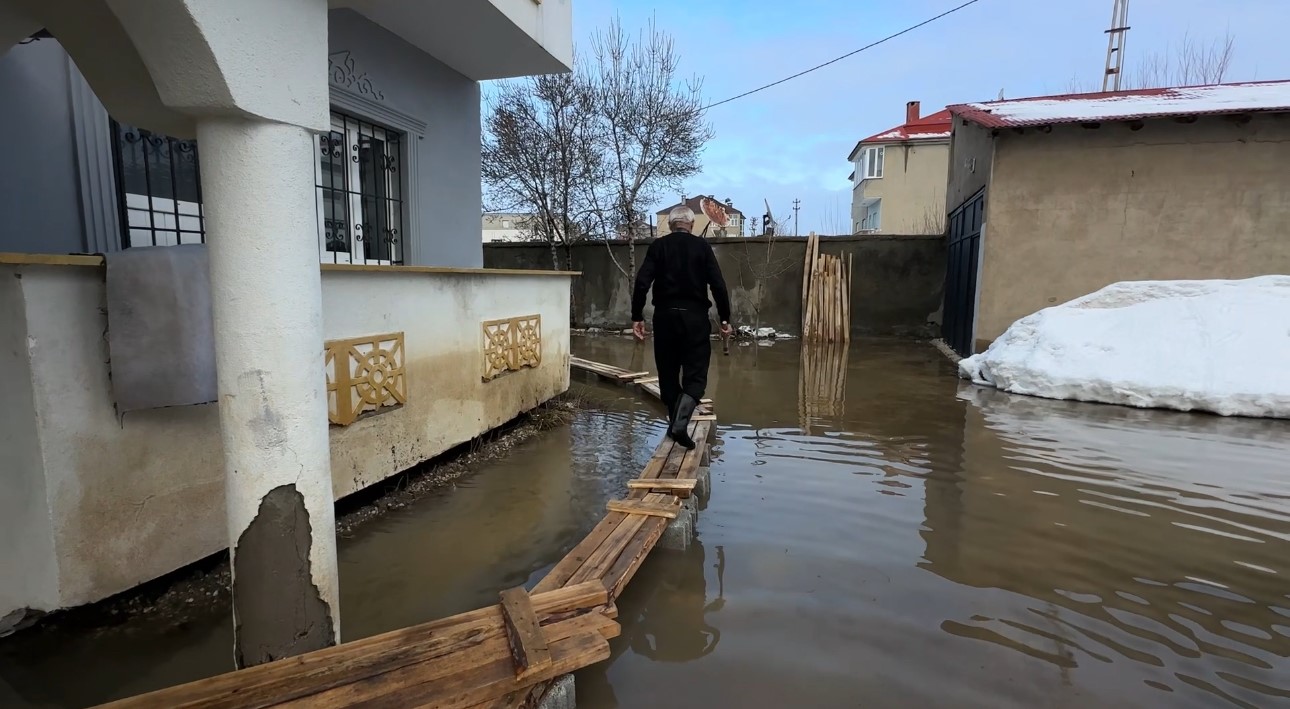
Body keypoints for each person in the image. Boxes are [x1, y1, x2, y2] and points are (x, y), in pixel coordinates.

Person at [631, 206, 732, 449]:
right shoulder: (702, 247)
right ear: (692, 225)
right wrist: (725, 319)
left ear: (670, 225)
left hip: (665, 318)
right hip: (695, 319)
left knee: (667, 374)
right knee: (695, 376)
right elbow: (718, 285)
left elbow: (642, 282)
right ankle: (678, 426)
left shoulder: (658, 246)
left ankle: (675, 425)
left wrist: (636, 316)